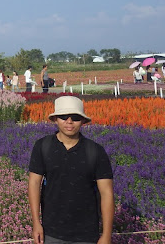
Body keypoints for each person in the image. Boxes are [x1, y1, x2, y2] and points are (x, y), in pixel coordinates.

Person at [28, 96, 114, 244]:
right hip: (51, 232)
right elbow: (34, 184)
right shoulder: (43, 146)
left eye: (75, 117)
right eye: (63, 117)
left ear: (82, 121)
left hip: (86, 234)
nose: (69, 121)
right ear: (55, 119)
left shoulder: (95, 151)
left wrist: (106, 235)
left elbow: (107, 193)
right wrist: (36, 223)